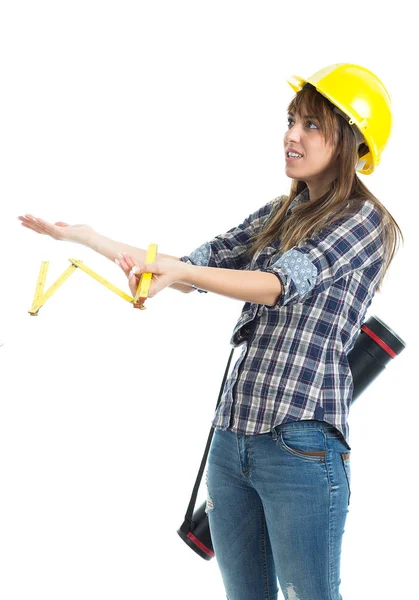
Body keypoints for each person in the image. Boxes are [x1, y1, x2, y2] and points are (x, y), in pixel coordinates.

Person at [19, 63, 403, 600]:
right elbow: (188, 265)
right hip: (232, 438)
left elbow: (278, 283)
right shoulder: (280, 211)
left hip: (301, 444)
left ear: (350, 141)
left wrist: (183, 274)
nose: (292, 134)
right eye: (292, 119)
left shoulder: (366, 221)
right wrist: (88, 238)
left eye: (312, 125)